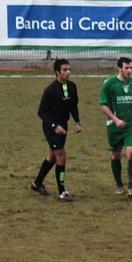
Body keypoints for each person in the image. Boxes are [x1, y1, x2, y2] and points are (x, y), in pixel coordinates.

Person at [31, 59, 81, 201]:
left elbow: (73, 106)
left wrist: (77, 122)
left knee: (52, 157)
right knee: (61, 156)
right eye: (65, 70)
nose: (68, 72)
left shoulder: (72, 87)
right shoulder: (50, 90)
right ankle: (62, 191)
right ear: (57, 72)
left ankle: (37, 183)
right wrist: (54, 126)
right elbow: (41, 112)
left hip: (63, 126)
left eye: (69, 69)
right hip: (51, 128)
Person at [99, 57, 132, 199]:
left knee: (131, 153)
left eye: (131, 68)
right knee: (115, 155)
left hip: (131, 125)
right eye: (126, 68)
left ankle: (131, 186)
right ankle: (119, 185)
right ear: (119, 68)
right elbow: (103, 105)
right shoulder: (109, 84)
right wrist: (115, 120)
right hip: (114, 127)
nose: (129, 71)